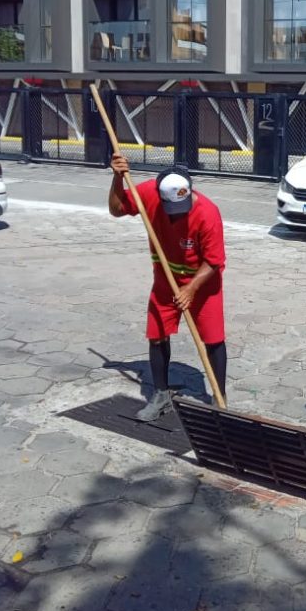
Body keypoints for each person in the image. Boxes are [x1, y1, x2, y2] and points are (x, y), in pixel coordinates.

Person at [108, 155, 227, 421]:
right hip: (166, 278)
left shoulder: (208, 213)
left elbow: (214, 261)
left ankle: (220, 400)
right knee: (157, 333)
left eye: (183, 209)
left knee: (213, 339)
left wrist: (191, 289)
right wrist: (117, 177)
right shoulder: (148, 193)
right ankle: (161, 395)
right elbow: (116, 208)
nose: (178, 216)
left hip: (203, 283)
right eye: (172, 210)